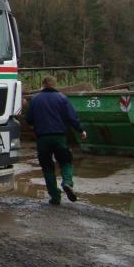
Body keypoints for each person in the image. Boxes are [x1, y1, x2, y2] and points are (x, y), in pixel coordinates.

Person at [25, 75, 87, 205]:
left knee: (47, 168)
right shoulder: (62, 98)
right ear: (55, 85)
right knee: (66, 162)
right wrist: (81, 130)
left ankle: (55, 197)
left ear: (43, 85)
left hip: (42, 139)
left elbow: (28, 119)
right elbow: (72, 118)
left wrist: (35, 127)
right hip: (59, 137)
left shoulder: (35, 99)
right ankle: (67, 183)